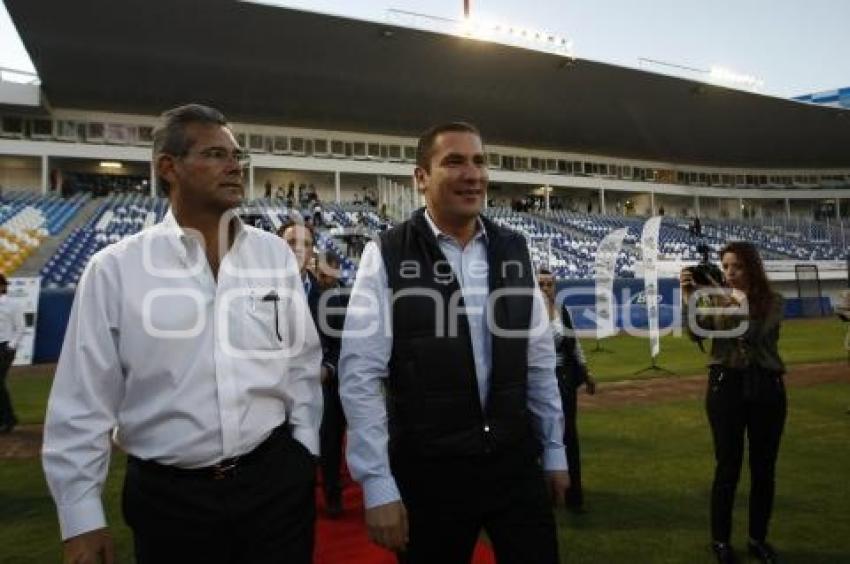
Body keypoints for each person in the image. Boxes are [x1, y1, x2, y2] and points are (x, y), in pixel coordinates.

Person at [42, 104, 323, 564]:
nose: (235, 166)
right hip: (170, 501)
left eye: (237, 156)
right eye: (215, 154)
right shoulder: (115, 269)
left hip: (274, 484)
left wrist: (305, 450)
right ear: (168, 168)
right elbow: (82, 400)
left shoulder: (273, 254)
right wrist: (80, 518)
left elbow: (301, 363)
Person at [339, 122, 568, 564]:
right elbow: (361, 375)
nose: (473, 174)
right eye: (455, 161)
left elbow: (537, 360)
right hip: (429, 473)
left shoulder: (514, 248)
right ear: (420, 177)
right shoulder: (386, 253)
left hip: (513, 464)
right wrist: (377, 482)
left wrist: (555, 449)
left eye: (479, 161)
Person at [680, 241, 786, 564]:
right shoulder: (713, 299)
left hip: (766, 388)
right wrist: (689, 300)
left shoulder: (773, 300)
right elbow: (696, 333)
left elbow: (752, 332)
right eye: (725, 267)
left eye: (736, 266)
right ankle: (721, 542)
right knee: (727, 468)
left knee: (763, 470)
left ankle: (757, 539)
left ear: (751, 267)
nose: (729, 273)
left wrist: (722, 298)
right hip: (726, 387)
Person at [279, 221, 347, 517]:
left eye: (306, 244)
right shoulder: (255, 294)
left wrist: (327, 370)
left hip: (320, 388)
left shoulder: (328, 298)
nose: (299, 249)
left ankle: (332, 492)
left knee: (329, 442)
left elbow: (339, 347)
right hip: (274, 394)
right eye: (291, 241)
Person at [537, 268, 596, 512]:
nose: (546, 288)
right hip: (538, 381)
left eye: (549, 284)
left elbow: (575, 345)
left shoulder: (563, 311)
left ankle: (573, 495)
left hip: (563, 380)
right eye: (541, 284)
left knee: (568, 435)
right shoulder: (526, 314)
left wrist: (586, 371)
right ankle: (543, 494)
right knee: (539, 437)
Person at [0, 274, 24, 433]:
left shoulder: (12, 304)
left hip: (5, 347)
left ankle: (8, 419)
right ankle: (8, 418)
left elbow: (21, 327)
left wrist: (11, 345)